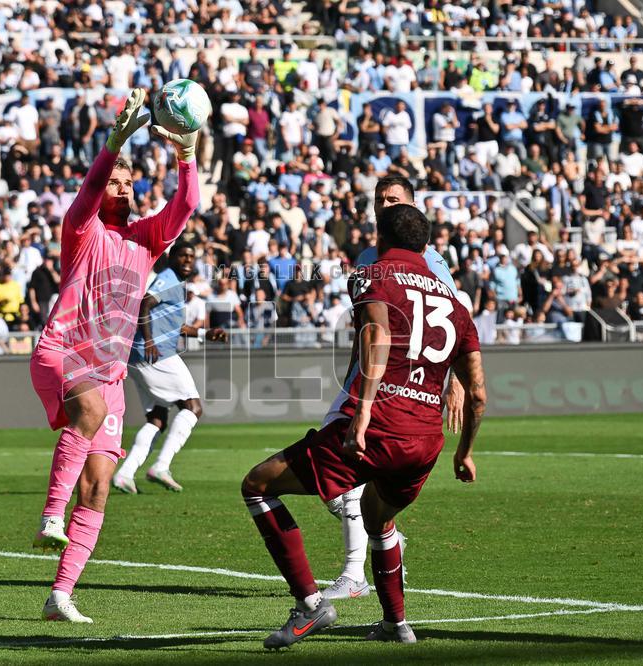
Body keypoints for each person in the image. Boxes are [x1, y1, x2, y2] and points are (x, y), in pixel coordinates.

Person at [241, 203, 486, 649]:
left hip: (379, 425)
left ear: (380, 237)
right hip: (425, 440)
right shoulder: (456, 304)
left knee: (258, 485)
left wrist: (365, 411)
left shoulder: (373, 275)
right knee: (378, 518)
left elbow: (376, 335)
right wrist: (464, 451)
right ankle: (396, 624)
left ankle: (310, 606)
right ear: (426, 245)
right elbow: (479, 393)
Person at [28, 89, 200, 624]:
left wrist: (187, 155)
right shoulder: (83, 231)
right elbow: (87, 194)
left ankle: (61, 596)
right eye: (116, 183)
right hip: (60, 354)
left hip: (106, 375)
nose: (123, 190)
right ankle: (50, 515)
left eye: (130, 184)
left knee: (100, 485)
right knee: (93, 414)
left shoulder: (146, 240)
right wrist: (115, 144)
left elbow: (187, 205)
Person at [320, 175, 466, 601]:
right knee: (337, 484)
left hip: (398, 386)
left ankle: (355, 573)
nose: (385, 205)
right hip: (363, 380)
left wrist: (454, 379)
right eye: (380, 199)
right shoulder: (367, 257)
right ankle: (388, 542)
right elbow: (366, 327)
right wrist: (351, 372)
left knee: (344, 479)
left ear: (414, 206)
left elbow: (450, 321)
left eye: (394, 199)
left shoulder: (430, 260)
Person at [112, 242, 227, 494]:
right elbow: (145, 303)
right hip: (157, 353)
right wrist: (151, 341)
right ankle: (161, 466)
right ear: (172, 258)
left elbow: (178, 327)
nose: (187, 260)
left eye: (191, 256)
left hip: (138, 358)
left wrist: (207, 333)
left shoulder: (176, 283)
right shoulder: (169, 278)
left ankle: (125, 473)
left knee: (157, 419)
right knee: (193, 407)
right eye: (182, 255)